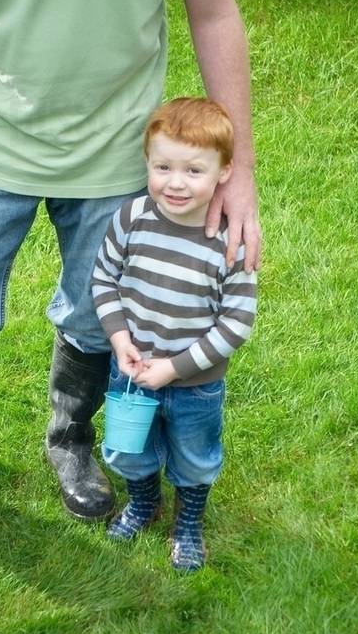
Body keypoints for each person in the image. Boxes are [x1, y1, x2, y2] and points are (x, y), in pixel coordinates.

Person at [0, 0, 261, 555]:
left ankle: (70, 442)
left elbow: (215, 15)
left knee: (99, 316)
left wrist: (238, 172)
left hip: (115, 154)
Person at [91, 97, 257, 573]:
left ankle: (189, 522)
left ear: (225, 172)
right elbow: (104, 280)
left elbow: (236, 323)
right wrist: (120, 339)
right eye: (163, 166)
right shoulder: (132, 218)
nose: (176, 183)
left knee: (194, 457)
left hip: (194, 385)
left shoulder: (230, 239)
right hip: (131, 373)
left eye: (193, 170)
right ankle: (144, 502)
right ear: (147, 162)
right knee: (128, 450)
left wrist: (175, 368)